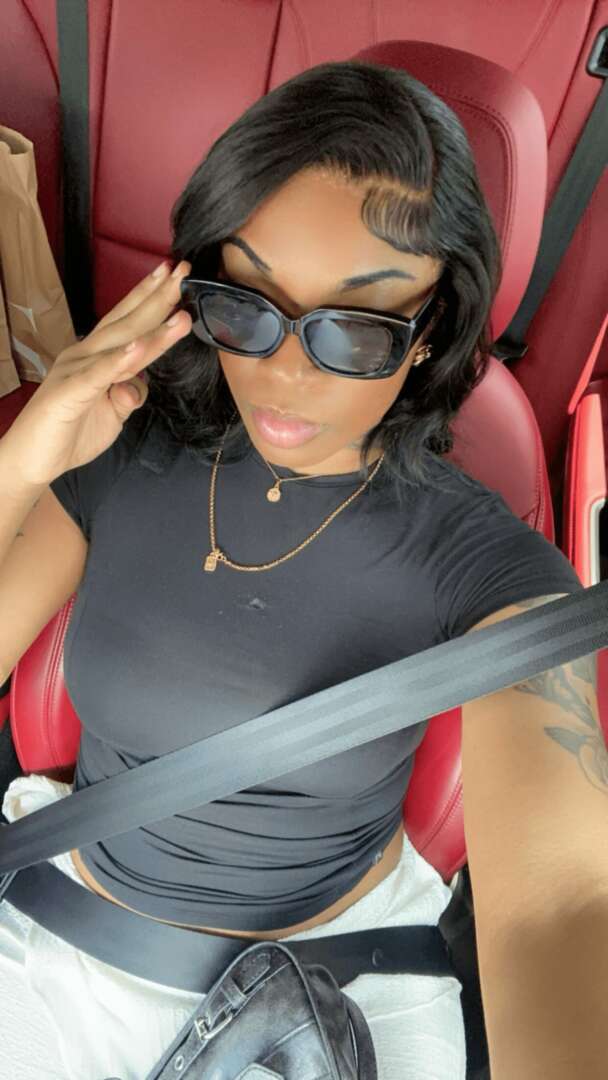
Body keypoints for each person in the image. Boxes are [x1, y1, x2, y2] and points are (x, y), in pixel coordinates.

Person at [0, 59, 585, 1079]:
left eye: (355, 329)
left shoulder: (486, 562)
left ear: (430, 333)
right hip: (64, 946)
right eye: (247, 305)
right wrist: (21, 460)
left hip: (343, 980)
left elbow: (563, 903)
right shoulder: (124, 454)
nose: (283, 372)